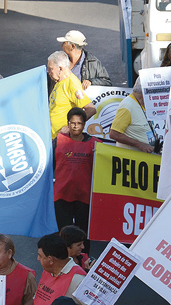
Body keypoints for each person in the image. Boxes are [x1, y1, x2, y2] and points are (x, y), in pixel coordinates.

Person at [31, 233, 88, 305]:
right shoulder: (48, 271)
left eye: (40, 256)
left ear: (51, 260)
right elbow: (37, 301)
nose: (37, 259)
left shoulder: (77, 279)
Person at [53, 107, 98, 240]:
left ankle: (84, 260)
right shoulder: (58, 141)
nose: (75, 126)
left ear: (84, 125)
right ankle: (65, 260)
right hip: (62, 195)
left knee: (83, 235)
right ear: (68, 124)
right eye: (72, 123)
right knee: (63, 235)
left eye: (79, 123)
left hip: (84, 197)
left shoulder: (95, 144)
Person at [47, 51, 95, 139]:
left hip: (64, 140)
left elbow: (91, 109)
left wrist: (70, 127)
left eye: (50, 69)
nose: (48, 71)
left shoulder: (72, 84)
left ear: (60, 69)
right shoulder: (59, 81)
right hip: (53, 137)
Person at [109, 78, 156, 153]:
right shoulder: (127, 106)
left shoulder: (142, 103)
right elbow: (114, 134)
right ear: (146, 91)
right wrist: (139, 144)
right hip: (131, 158)